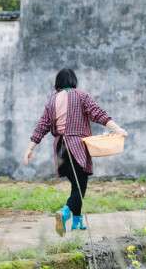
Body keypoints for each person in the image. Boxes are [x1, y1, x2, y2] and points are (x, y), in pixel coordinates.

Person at [24, 68, 127, 236]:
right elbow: (98, 114)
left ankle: (78, 222)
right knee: (81, 187)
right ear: (73, 81)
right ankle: (65, 212)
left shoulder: (52, 101)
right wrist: (118, 129)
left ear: (57, 83)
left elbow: (42, 126)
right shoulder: (81, 96)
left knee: (75, 183)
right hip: (77, 146)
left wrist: (30, 148)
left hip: (61, 149)